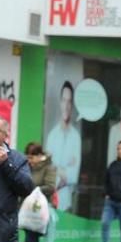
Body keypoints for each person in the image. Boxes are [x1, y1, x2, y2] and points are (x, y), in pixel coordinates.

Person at [19, 142, 57, 242]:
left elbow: (51, 187)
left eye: (32, 157)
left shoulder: (49, 167)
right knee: (32, 240)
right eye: (27, 157)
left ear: (40, 156)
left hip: (39, 210)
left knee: (30, 240)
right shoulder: (27, 167)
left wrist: (33, 189)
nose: (29, 160)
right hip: (27, 209)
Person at [45, 81, 81, 212]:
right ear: (60, 102)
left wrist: (58, 169)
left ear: (72, 105)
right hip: (51, 202)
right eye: (64, 100)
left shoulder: (76, 137)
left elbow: (74, 175)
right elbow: (48, 170)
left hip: (67, 203)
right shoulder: (52, 136)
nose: (66, 105)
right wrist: (64, 171)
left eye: (69, 101)